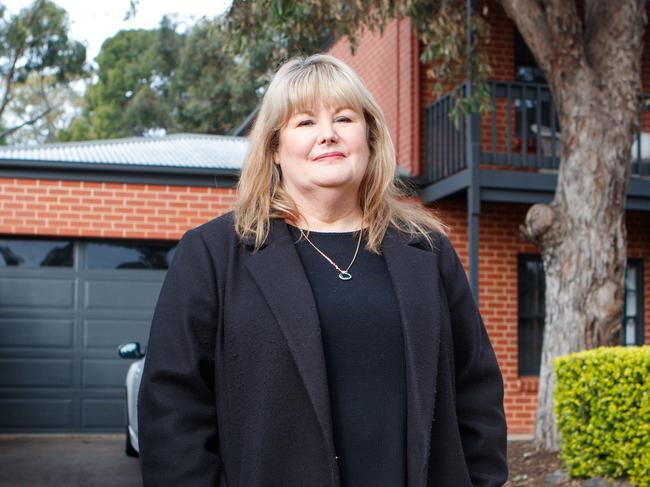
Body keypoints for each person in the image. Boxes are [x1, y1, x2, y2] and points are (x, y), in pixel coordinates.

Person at [138, 53, 507, 487]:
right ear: (275, 148)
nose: (328, 135)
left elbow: (476, 386)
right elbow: (172, 407)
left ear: (369, 136)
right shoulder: (215, 254)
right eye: (305, 122)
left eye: (344, 118)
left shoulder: (427, 251)